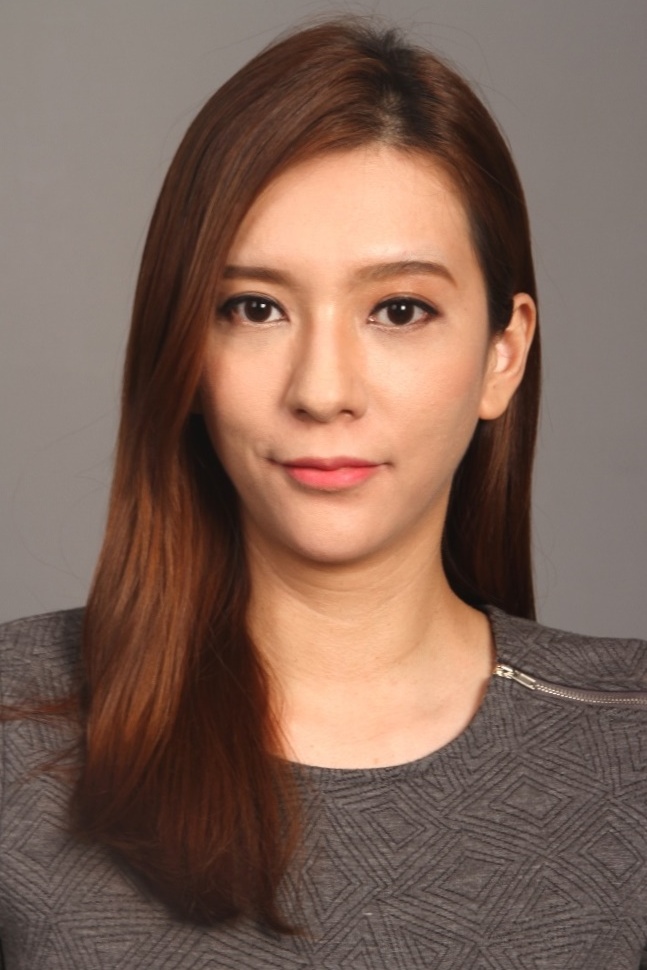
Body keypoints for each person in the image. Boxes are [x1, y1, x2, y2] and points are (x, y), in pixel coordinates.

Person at [1, 18, 646, 970]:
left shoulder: (628, 745)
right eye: (255, 307)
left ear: (501, 356)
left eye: (399, 310)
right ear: (185, 349)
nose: (321, 389)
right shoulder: (15, 731)